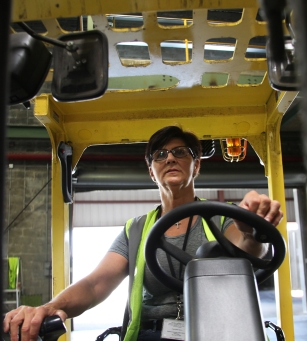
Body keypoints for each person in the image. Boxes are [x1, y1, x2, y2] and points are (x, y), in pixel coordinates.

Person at [3, 125, 283, 341]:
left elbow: (245, 245)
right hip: (152, 334)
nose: (170, 158)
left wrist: (253, 230)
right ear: (152, 172)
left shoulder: (223, 218)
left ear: (196, 165)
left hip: (217, 332)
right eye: (160, 155)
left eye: (180, 152)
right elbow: (95, 284)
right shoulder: (136, 229)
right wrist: (50, 308)